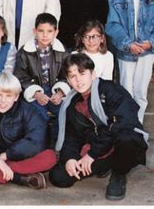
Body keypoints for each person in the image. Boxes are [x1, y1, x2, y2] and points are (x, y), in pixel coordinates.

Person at [49, 53, 148, 201]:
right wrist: (70, 158)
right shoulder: (72, 103)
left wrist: (92, 154)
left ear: (92, 74)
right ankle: (105, 166)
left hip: (117, 146)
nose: (78, 80)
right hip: (97, 148)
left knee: (127, 138)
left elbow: (122, 123)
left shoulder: (111, 90)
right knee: (59, 176)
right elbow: (72, 136)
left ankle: (119, 173)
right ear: (68, 80)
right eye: (72, 76)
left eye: (82, 73)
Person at [13, 13, 68, 140]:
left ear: (56, 32)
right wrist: (36, 93)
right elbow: (20, 77)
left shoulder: (62, 51)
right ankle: (39, 144)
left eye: (49, 31)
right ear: (34, 31)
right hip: (35, 91)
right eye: (41, 31)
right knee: (37, 115)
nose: (45, 35)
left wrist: (60, 92)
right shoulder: (25, 52)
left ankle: (56, 145)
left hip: (55, 90)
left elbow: (67, 74)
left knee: (64, 113)